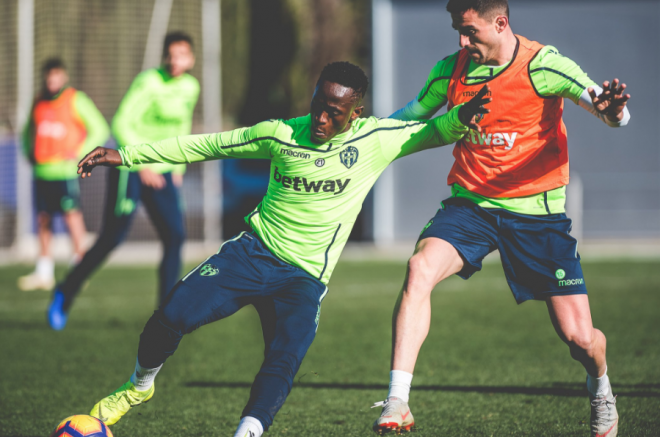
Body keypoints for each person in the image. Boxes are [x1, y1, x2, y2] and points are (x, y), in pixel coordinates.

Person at [75, 62, 490, 437]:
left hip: (303, 279)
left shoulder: (375, 141)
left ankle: (247, 433)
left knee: (283, 359)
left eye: (335, 112)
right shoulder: (280, 133)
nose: (321, 118)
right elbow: (206, 145)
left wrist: (462, 117)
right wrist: (124, 155)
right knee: (170, 317)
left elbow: (433, 130)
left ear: (356, 113)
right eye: (318, 105)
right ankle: (137, 389)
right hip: (251, 254)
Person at [370, 1, 631, 436]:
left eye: (470, 31)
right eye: (457, 30)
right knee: (419, 268)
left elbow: (611, 113)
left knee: (581, 341)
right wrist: (359, 137)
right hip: (471, 206)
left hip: (537, 216)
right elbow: (409, 118)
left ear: (501, 23)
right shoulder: (450, 71)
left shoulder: (542, 65)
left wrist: (614, 111)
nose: (461, 41)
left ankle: (600, 386)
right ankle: (398, 400)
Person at [47, 32, 200, 330]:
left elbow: (183, 124)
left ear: (191, 58)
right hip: (131, 167)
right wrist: (139, 163)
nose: (175, 59)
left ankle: (165, 315)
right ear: (164, 56)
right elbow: (120, 122)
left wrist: (178, 166)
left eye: (181, 54)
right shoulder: (148, 82)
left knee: (175, 236)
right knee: (111, 239)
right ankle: (66, 291)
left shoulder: (190, 87)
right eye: (170, 54)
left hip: (164, 171)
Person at [18, 58, 109, 292]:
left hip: (65, 171)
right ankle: (44, 272)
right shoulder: (38, 101)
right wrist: (28, 150)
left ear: (64, 76)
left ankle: (79, 269)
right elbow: (28, 130)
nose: (52, 80)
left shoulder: (75, 99)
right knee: (43, 219)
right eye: (49, 75)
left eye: (56, 75)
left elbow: (99, 128)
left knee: (72, 217)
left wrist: (79, 153)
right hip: (41, 171)